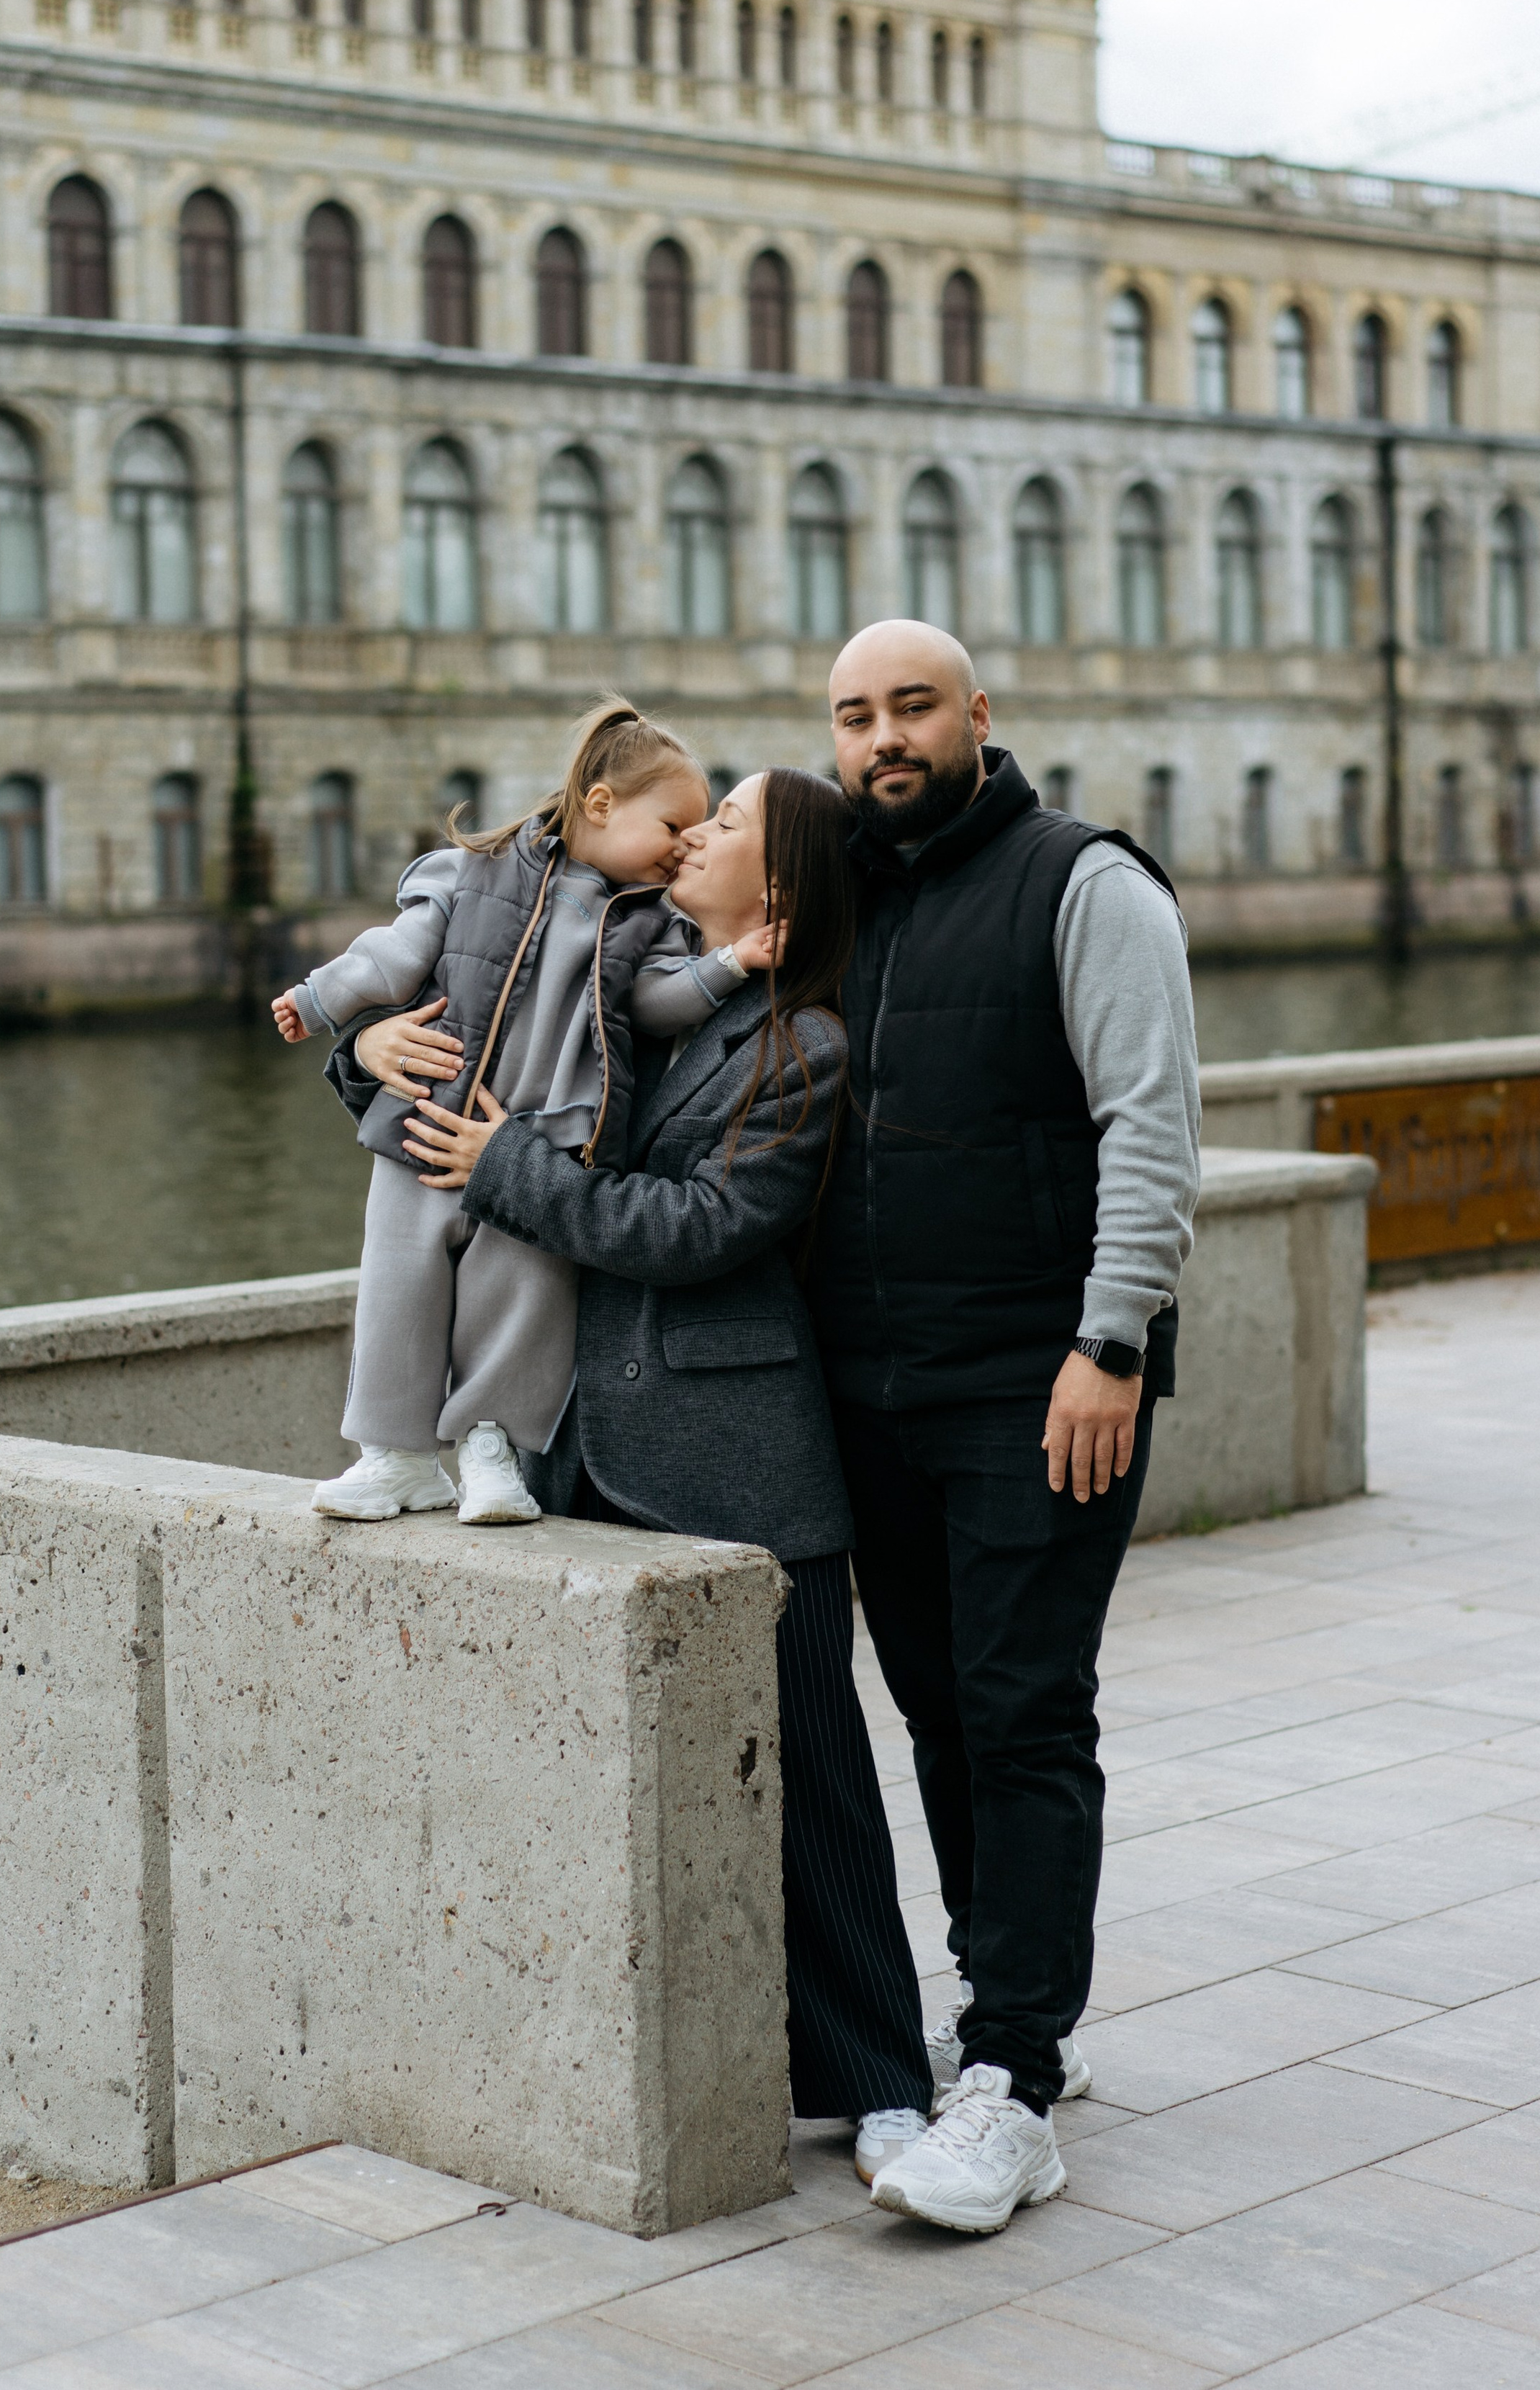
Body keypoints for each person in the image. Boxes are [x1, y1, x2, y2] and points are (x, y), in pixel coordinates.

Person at [357, 768, 938, 2182]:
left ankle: (879, 2084)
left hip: (739, 1461)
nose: (694, 835)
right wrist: (363, 1042)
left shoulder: (806, 1045)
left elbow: (700, 1225)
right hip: (568, 1442)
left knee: (816, 1794)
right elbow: (472, 1010)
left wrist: (507, 1171)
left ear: (781, 897)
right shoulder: (633, 968)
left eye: (726, 826)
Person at [810, 619, 1200, 2237]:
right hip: (873, 1388)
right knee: (942, 1714)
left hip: (1043, 1384)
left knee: (1024, 1709)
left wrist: (1110, 1342)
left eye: (912, 706)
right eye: (853, 716)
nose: (883, 738)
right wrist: (372, 1036)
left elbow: (1150, 1124)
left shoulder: (1083, 883)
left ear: (979, 715)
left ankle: (1014, 2087)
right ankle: (1004, 2008)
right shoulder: (837, 890)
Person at [274, 697, 773, 1523]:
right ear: (602, 805)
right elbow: (396, 956)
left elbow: (656, 1004)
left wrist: (726, 965)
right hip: (429, 1125)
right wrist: (326, 1003)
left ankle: (492, 1448)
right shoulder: (471, 871)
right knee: (399, 1279)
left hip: (547, 1145)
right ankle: (393, 1454)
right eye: (674, 822)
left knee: (523, 1293)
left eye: (702, 828)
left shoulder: (649, 922)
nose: (685, 843)